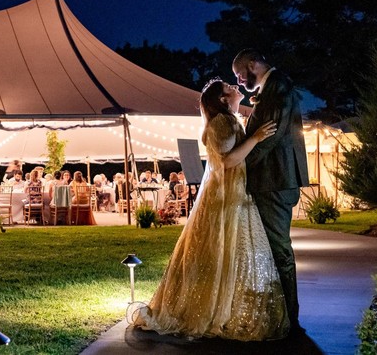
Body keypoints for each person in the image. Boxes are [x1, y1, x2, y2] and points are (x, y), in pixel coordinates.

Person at [133, 78, 288, 340]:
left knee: (234, 253)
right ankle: (215, 309)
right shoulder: (221, 123)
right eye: (229, 87)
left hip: (236, 193)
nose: (235, 87)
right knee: (222, 251)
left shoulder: (230, 120)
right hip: (225, 197)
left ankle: (228, 306)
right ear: (223, 100)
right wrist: (257, 138)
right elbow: (227, 161)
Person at [232, 49, 311, 332]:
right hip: (275, 180)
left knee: (279, 250)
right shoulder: (274, 85)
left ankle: (289, 319)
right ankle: (281, 314)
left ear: (252, 64)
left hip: (274, 180)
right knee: (275, 249)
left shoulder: (277, 85)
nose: (241, 83)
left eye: (241, 75)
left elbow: (270, 134)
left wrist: (240, 164)